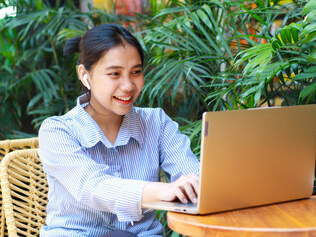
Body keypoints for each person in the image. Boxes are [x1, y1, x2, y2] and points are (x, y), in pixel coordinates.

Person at [38, 24, 200, 237]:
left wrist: (194, 184)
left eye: (136, 72)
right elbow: (93, 187)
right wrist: (163, 190)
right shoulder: (57, 131)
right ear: (85, 75)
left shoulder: (156, 122)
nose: (128, 85)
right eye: (114, 74)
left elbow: (191, 173)